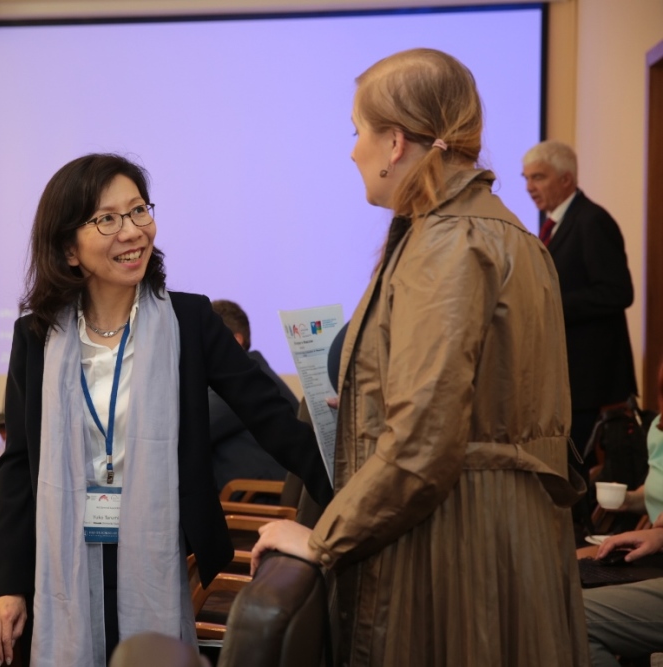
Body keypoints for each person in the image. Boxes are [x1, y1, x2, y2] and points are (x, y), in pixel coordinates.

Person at [250, 48, 588, 666]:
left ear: (395, 142)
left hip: (454, 553)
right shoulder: (507, 231)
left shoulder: (447, 243)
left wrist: (322, 540)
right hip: (508, 543)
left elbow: (423, 445)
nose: (352, 151)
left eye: (357, 131)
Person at [0, 154, 333, 666]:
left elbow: (272, 418)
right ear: (69, 249)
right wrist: (7, 584)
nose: (132, 231)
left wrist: (351, 502)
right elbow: (20, 464)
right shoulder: (36, 336)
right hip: (64, 557)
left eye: (139, 210)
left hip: (155, 548)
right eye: (107, 219)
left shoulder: (188, 320)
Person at [522, 141, 637, 469]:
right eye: (526, 178)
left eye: (538, 177)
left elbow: (617, 292)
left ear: (566, 179)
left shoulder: (592, 221)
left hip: (592, 384)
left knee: (582, 475)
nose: (529, 187)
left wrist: (551, 304)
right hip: (568, 381)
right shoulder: (554, 225)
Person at [584, 364, 663, 667]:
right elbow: (654, 489)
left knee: (569, 614)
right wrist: (630, 503)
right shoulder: (657, 429)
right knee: (565, 574)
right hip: (656, 551)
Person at [208, 299, 292, 492]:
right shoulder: (256, 372)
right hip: (255, 492)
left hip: (256, 497)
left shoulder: (241, 380)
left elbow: (188, 429)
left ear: (236, 340)